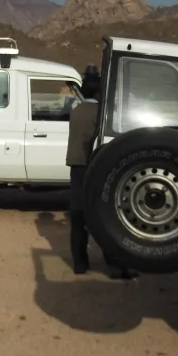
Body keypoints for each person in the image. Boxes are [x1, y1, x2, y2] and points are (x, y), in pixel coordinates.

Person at [65, 77, 137, 279]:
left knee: (78, 217)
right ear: (98, 94)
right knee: (104, 217)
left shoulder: (76, 110)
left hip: (76, 167)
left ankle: (79, 264)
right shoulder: (101, 114)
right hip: (93, 167)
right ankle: (114, 265)